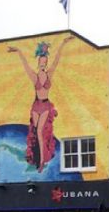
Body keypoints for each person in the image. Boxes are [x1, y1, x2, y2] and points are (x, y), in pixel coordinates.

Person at [8, 36, 74, 173]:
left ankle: (42, 160)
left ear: (46, 62)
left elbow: (57, 59)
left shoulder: (49, 74)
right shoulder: (34, 76)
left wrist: (63, 42)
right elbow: (25, 65)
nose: (43, 63)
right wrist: (19, 51)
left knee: (40, 131)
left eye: (45, 61)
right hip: (36, 106)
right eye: (41, 61)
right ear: (39, 62)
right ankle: (36, 157)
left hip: (45, 106)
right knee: (34, 131)